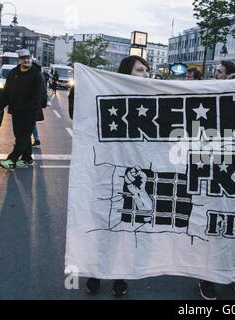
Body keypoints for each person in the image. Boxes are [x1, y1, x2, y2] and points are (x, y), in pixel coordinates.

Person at [83, 55, 151, 297]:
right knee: (103, 225)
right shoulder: (109, 95)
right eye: (140, 70)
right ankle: (95, 271)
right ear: (125, 72)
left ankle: (120, 274)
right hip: (107, 172)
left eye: (146, 70)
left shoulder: (153, 98)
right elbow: (81, 114)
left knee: (127, 227)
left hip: (135, 174)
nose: (145, 74)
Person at [197, 59, 235, 301]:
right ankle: (207, 277)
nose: (214, 75)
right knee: (211, 230)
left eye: (219, 72)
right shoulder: (208, 99)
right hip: (214, 177)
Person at [0, 49, 46, 169]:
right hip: (16, 110)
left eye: (28, 58)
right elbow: (6, 93)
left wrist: (27, 108)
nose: (26, 60)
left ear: (31, 59)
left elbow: (38, 96)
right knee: (19, 135)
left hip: (31, 112)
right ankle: (27, 158)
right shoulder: (13, 73)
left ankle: (11, 160)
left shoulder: (37, 74)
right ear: (19, 60)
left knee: (24, 135)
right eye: (24, 58)